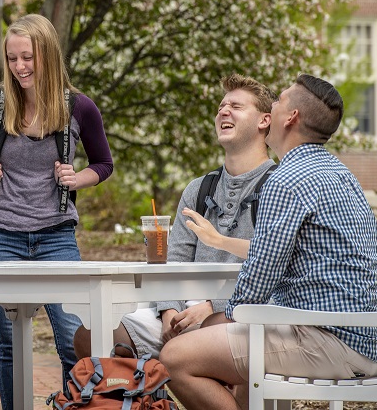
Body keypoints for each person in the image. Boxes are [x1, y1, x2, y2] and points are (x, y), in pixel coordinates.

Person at [159, 75, 377, 410]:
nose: (272, 107)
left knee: (175, 356)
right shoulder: (340, 173)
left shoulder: (286, 179)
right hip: (372, 339)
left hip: (330, 341)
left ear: (291, 117)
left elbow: (256, 283)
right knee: (237, 357)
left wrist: (211, 316)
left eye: (279, 101)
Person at [0, 13, 113, 410]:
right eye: (12, 59)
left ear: (48, 57)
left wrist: (77, 179)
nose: (20, 67)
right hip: (1, 234)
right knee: (10, 342)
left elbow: (103, 164)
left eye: (28, 58)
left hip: (57, 236)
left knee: (74, 338)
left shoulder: (80, 107)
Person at [72, 73, 276, 359]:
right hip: (182, 315)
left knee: (211, 342)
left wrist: (213, 306)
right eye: (220, 107)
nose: (223, 111)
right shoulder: (199, 188)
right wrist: (168, 310)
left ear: (264, 121)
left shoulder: (279, 188)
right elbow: (174, 261)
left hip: (237, 315)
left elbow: (274, 269)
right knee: (92, 335)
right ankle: (151, 401)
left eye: (236, 106)